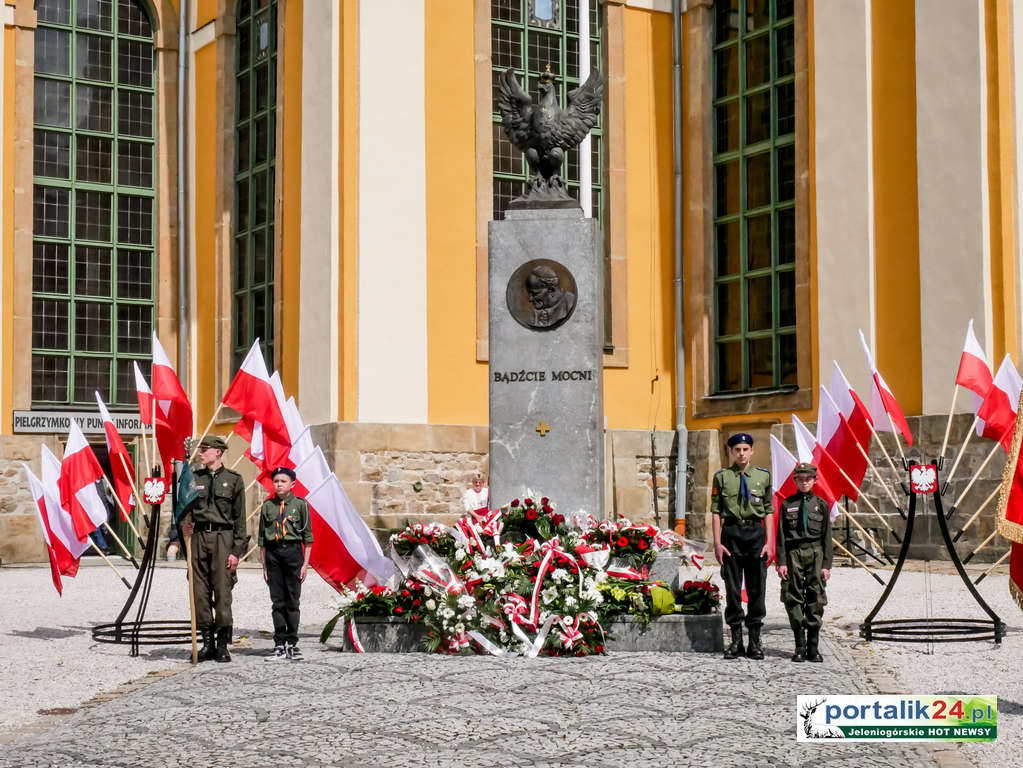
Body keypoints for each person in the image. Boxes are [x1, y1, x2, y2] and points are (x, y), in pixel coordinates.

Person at [179, 435, 246, 663]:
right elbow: (185, 508)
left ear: (218, 452)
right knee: (199, 592)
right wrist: (183, 529)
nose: (201, 453)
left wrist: (236, 551)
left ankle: (222, 645)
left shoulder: (234, 480)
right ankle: (206, 643)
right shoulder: (194, 478)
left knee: (223, 593)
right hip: (198, 537)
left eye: (205, 449)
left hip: (222, 538)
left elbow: (240, 519)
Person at [712, 432, 774, 660]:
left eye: (745, 449)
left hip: (755, 534)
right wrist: (717, 543)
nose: (741, 453)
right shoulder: (722, 477)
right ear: (730, 452)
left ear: (752, 451)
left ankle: (755, 641)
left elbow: (768, 511)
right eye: (737, 449)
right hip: (731, 534)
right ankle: (736, 641)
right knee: (733, 589)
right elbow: (716, 512)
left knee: (757, 588)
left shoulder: (763, 477)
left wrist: (770, 543)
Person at [776, 462, 832, 663]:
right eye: (800, 479)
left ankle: (813, 648)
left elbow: (827, 537)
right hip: (793, 553)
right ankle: (799, 646)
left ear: (814, 480)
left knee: (816, 597)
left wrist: (826, 565)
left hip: (816, 552)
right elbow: (781, 536)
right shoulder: (786, 504)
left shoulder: (822, 505)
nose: (804, 482)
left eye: (808, 479)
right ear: (795, 481)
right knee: (793, 597)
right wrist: (781, 561)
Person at [259, 467, 314, 661]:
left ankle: (292, 643)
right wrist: (264, 566)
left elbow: (307, 538)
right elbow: (262, 540)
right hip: (273, 554)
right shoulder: (267, 506)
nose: (279, 484)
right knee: (277, 602)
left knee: (292, 601)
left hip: (293, 554)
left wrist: (305, 564)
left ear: (292, 484)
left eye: (283, 481)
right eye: (276, 481)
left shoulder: (300, 505)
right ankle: (279, 644)